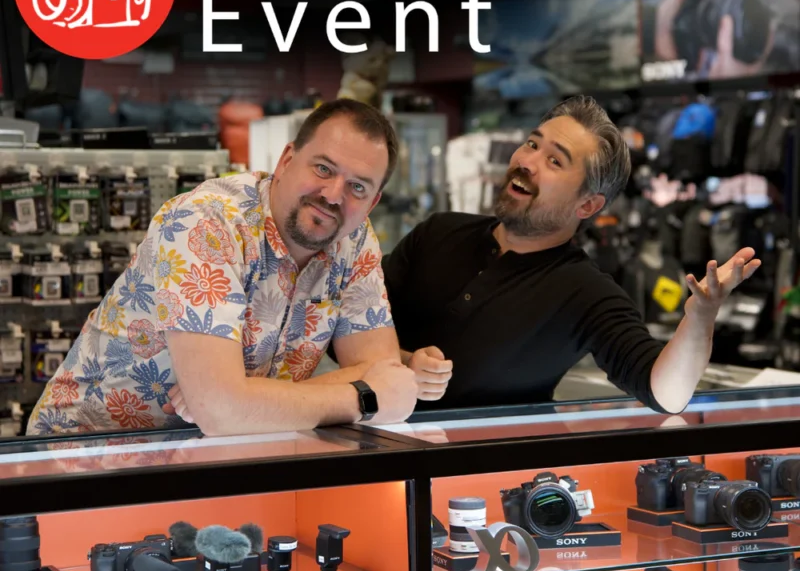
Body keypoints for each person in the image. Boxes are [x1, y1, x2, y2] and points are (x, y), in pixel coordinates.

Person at [27, 99, 418, 437]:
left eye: (358, 188)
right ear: (286, 160)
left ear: (373, 202)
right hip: (85, 456)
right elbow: (222, 411)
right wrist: (362, 394)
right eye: (323, 169)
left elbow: (387, 377)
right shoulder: (206, 221)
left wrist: (241, 399)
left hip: (216, 454)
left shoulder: (354, 238)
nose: (333, 195)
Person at [384, 95, 761, 413]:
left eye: (555, 161)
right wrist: (404, 364)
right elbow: (346, 324)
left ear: (588, 205)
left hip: (482, 481)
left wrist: (700, 318)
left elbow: (667, 393)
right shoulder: (438, 231)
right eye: (533, 144)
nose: (527, 162)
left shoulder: (585, 294)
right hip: (366, 455)